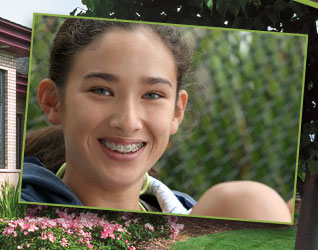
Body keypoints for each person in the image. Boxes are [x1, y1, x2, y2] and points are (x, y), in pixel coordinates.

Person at [21, 17, 292, 222]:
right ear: (52, 101)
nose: (128, 122)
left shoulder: (208, 218)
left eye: (152, 95)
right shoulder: (15, 208)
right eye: (101, 91)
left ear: (177, 112)